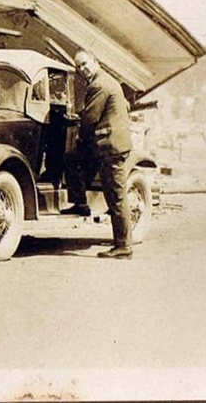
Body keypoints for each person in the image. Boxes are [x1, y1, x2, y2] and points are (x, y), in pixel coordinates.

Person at [63, 49, 134, 259]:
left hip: (109, 148)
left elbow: (90, 119)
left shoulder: (99, 85)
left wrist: (81, 138)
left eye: (85, 64)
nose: (82, 69)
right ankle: (81, 204)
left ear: (95, 62)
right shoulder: (108, 81)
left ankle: (123, 246)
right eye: (79, 67)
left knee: (116, 197)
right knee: (72, 159)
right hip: (109, 145)